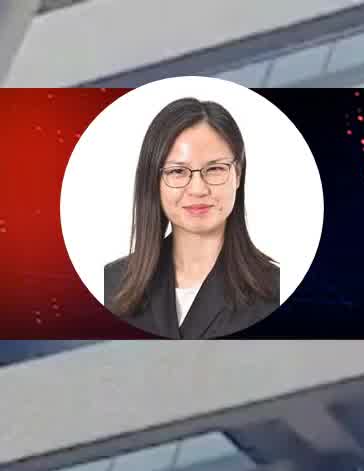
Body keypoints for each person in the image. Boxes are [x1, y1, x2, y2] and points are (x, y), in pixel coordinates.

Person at [90, 97, 286, 340]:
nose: (198, 189)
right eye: (177, 171)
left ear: (238, 174)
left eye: (215, 169)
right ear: (153, 181)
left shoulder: (278, 293)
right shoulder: (109, 285)